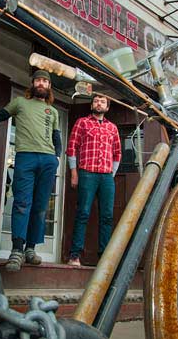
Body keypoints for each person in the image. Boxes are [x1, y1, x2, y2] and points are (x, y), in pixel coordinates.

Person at [0, 69, 61, 272]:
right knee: (21, 203)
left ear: (49, 86)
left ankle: (30, 249)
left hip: (48, 160)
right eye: (39, 80)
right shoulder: (20, 103)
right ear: (33, 84)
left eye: (45, 81)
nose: (42, 84)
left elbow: (57, 138)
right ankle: (16, 251)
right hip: (25, 157)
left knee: (41, 207)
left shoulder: (52, 111)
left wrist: (57, 158)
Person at [66, 94, 121, 266]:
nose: (99, 104)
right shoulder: (82, 122)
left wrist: (111, 174)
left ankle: (104, 257)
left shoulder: (112, 128)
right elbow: (72, 147)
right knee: (83, 213)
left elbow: (118, 152)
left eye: (103, 102)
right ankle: (75, 255)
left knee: (107, 216)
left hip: (106, 177)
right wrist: (74, 172)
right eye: (96, 101)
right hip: (86, 173)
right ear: (92, 105)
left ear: (107, 107)